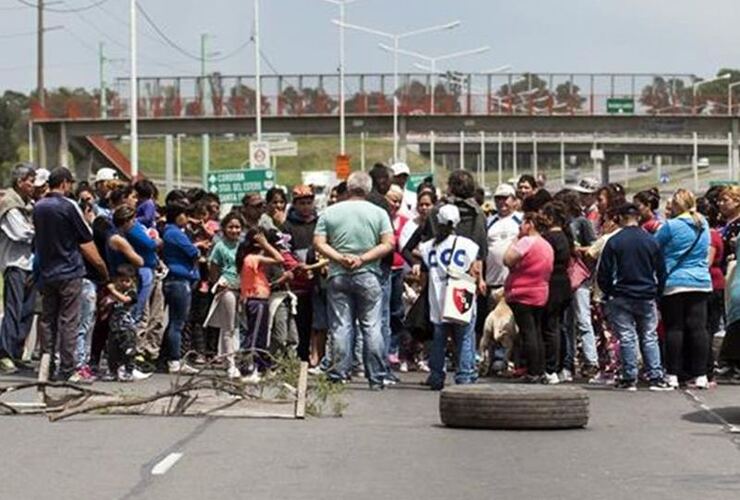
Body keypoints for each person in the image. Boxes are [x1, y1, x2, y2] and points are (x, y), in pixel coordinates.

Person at [314, 171, 393, 390]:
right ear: (368, 190)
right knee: (372, 326)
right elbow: (388, 244)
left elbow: (319, 242)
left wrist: (339, 257)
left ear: (348, 188)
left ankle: (339, 373)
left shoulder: (330, 212)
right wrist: (363, 258)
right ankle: (376, 376)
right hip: (368, 273)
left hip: (338, 274)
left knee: (341, 326)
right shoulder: (379, 213)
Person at [33, 167, 109, 381]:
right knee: (69, 320)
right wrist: (102, 267)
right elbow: (85, 239)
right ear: (65, 183)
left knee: (48, 320)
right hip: (69, 270)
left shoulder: (39, 207)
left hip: (48, 271)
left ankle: (46, 364)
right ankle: (67, 368)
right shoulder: (69, 206)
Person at [597, 203, 671, 391]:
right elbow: (661, 270)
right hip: (646, 294)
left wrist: (608, 292)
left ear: (621, 218)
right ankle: (655, 375)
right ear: (638, 217)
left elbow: (603, 272)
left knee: (627, 336)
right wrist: (658, 292)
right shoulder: (650, 240)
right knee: (649, 335)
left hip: (621, 294)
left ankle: (629, 377)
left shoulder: (614, 241)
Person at [417, 204, 480, 390]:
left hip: (437, 297)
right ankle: (465, 375)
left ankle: (436, 376)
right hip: (461, 294)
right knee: (465, 336)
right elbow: (474, 270)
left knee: (439, 339)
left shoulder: (428, 247)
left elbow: (424, 274)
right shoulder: (468, 245)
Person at [655, 189, 712, 389]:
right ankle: (701, 375)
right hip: (700, 281)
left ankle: (672, 374)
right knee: (699, 329)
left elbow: (655, 247)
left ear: (676, 206)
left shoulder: (670, 226)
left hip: (675, 281)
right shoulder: (703, 223)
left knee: (675, 328)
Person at [0, 164, 36, 374]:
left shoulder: (27, 205)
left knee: (27, 311)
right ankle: (4, 353)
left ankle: (16, 351)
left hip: (29, 264)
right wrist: (38, 229)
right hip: (14, 264)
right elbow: (20, 233)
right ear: (20, 182)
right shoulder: (10, 205)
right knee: (13, 310)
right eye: (29, 181)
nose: (32, 185)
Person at [237, 228, 285, 382]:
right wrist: (266, 245)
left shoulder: (254, 259)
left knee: (262, 336)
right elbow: (279, 259)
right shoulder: (252, 258)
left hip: (261, 301)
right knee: (255, 335)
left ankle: (261, 366)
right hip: (256, 301)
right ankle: (247, 368)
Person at [161, 201, 201, 375]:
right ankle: (175, 359)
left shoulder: (169, 233)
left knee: (174, 321)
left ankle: (170, 357)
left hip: (176, 279)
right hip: (179, 280)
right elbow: (193, 252)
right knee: (178, 322)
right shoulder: (175, 233)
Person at [282, 185, 319, 363]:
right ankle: (301, 357)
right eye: (301, 203)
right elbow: (285, 251)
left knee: (318, 323)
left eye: (308, 202)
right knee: (301, 323)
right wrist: (298, 267)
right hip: (298, 283)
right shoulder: (287, 226)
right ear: (295, 205)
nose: (305, 206)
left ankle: (318, 356)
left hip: (318, 279)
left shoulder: (320, 223)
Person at [205, 212, 244, 379]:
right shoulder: (220, 246)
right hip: (227, 288)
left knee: (239, 326)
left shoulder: (244, 246)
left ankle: (236, 359)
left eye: (237, 227)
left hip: (243, 288)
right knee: (228, 327)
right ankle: (231, 364)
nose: (234, 230)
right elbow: (213, 267)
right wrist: (217, 285)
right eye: (231, 227)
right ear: (224, 228)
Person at [540, 201, 574, 384]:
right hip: (564, 284)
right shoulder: (565, 236)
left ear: (550, 217)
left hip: (552, 284)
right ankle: (563, 366)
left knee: (550, 327)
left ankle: (551, 367)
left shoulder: (548, 238)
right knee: (560, 327)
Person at [105, 264, 151, 382]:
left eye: (127, 281)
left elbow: (125, 300)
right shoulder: (114, 294)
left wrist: (113, 290)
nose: (125, 283)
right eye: (121, 280)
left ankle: (129, 371)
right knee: (112, 351)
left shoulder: (131, 293)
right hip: (114, 329)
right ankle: (112, 371)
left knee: (128, 350)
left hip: (127, 329)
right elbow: (107, 304)